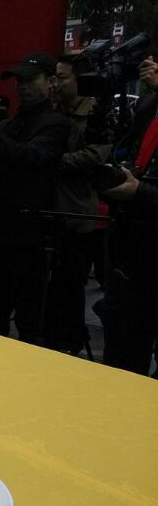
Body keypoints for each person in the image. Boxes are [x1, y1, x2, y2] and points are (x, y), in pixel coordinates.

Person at [0, 52, 71, 343]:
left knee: (29, 317)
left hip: (29, 235)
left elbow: (31, 158)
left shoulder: (56, 124)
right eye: (18, 81)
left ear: (51, 81)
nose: (22, 86)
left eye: (30, 80)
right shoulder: (9, 124)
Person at [94, 55, 158, 375]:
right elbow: (129, 155)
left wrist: (140, 192)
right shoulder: (147, 106)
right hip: (129, 242)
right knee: (120, 338)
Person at [45, 53, 112, 354]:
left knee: (71, 283)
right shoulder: (52, 110)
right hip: (49, 208)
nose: (55, 83)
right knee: (49, 284)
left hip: (77, 212)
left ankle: (70, 342)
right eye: (54, 77)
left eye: (62, 77)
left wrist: (52, 161)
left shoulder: (96, 112)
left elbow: (97, 154)